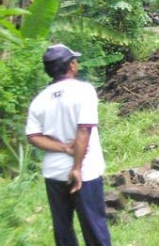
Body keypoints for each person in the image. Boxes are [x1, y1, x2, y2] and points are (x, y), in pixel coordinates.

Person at [26, 44, 111, 246]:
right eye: (75, 61)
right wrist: (76, 168)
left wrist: (63, 148)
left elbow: (33, 136)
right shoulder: (84, 91)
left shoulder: (39, 100)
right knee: (94, 227)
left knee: (63, 231)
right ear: (71, 66)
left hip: (54, 174)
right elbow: (84, 130)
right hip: (86, 173)